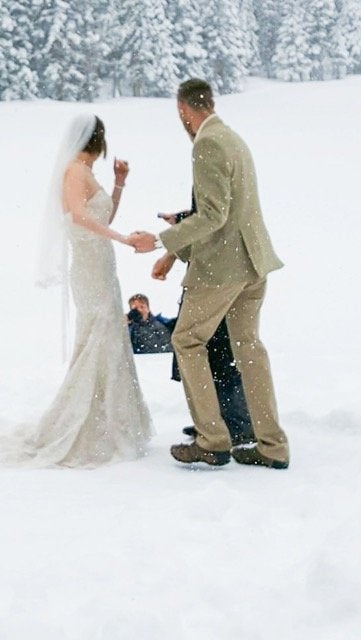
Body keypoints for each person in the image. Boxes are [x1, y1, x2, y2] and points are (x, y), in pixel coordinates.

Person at [129, 78, 289, 469]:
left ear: (184, 110)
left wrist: (162, 240)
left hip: (224, 268)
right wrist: (176, 248)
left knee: (185, 340)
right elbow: (227, 213)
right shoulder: (232, 138)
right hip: (254, 263)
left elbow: (214, 215)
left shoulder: (208, 144)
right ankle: (272, 446)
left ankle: (212, 440)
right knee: (248, 348)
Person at [1, 114, 152, 468]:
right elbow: (81, 219)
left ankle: (111, 418)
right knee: (98, 338)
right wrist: (124, 239)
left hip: (103, 266)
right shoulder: (73, 171)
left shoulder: (86, 172)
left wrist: (118, 184)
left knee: (111, 335)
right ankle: (87, 421)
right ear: (97, 140)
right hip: (89, 268)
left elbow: (103, 218)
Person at [155, 197, 255, 446]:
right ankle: (217, 421)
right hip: (212, 273)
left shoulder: (213, 165)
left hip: (218, 276)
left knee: (221, 354)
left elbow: (212, 220)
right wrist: (180, 221)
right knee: (212, 354)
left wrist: (171, 238)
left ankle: (238, 424)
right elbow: (205, 217)